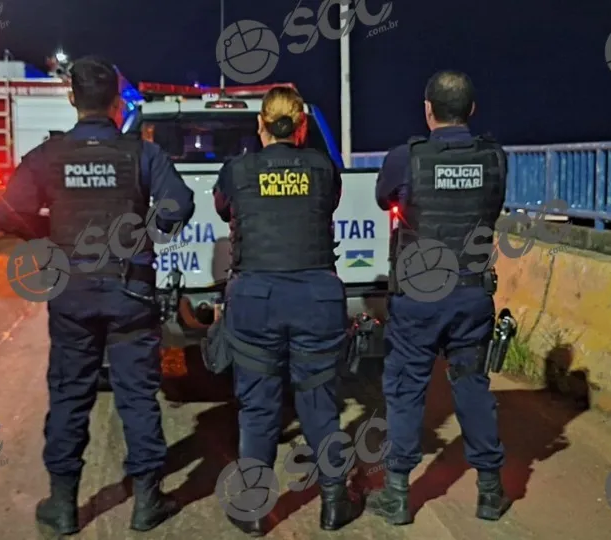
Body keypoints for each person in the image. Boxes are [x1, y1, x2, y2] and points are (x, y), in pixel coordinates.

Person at [0, 56, 195, 534]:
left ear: (72, 98)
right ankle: (148, 501)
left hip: (73, 293)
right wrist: (148, 230)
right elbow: (179, 206)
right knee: (137, 396)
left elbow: (7, 214)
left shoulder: (48, 156)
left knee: (70, 395)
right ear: (115, 102)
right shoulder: (141, 153)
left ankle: (64, 506)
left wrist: (50, 237)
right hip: (130, 292)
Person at [212, 86, 361, 535]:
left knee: (258, 407)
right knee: (319, 403)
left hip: (256, 301)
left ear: (260, 124)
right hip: (316, 299)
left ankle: (254, 510)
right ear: (301, 126)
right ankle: (334, 503)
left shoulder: (238, 170)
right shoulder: (322, 167)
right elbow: (328, 202)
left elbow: (223, 209)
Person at [365, 71, 511, 524]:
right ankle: (490, 492)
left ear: (428, 110)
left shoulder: (405, 158)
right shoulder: (494, 158)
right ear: (471, 110)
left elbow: (383, 197)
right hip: (470, 294)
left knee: (406, 389)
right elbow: (493, 205)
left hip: (418, 296)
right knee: (471, 385)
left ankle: (397, 495)